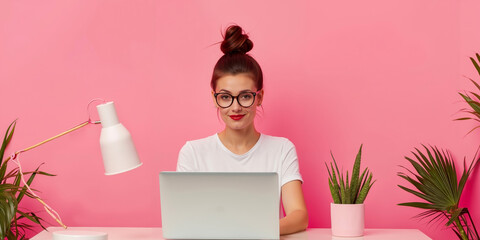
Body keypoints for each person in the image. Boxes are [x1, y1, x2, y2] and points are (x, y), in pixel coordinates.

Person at [176, 25, 308, 235]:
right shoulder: (193, 153)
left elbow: (299, 216)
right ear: (215, 98)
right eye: (226, 97)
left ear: (259, 97)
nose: (235, 107)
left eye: (245, 96)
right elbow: (183, 218)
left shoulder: (282, 149)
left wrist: (252, 231)